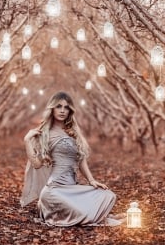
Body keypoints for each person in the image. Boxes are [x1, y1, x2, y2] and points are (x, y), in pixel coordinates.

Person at [20, 91, 121, 226]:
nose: (62, 110)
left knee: (108, 195)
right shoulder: (44, 133)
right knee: (85, 214)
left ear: (70, 111)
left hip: (72, 188)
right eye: (58, 106)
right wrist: (27, 140)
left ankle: (92, 211)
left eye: (66, 107)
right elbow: (37, 164)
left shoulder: (73, 132)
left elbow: (81, 159)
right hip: (54, 191)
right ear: (52, 109)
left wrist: (91, 180)